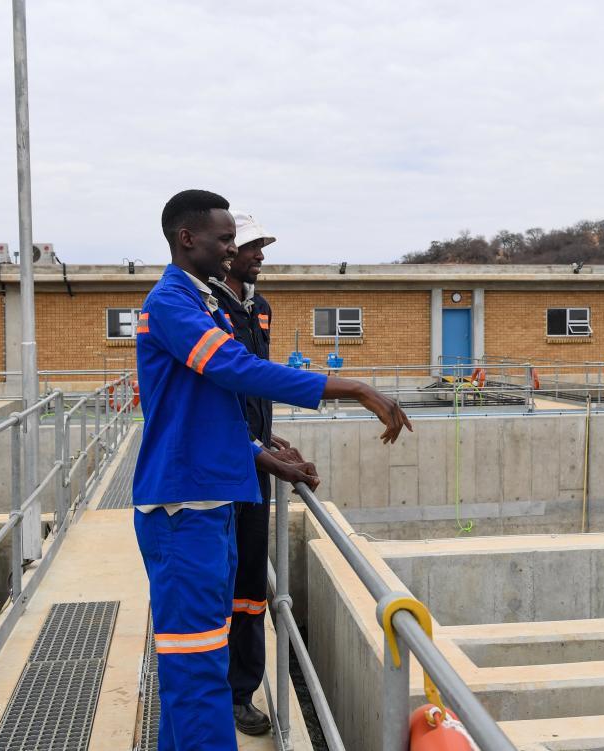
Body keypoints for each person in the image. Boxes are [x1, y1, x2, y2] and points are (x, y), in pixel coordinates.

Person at [133, 189, 411, 751]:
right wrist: (352, 387)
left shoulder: (205, 302)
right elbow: (234, 368)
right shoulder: (171, 303)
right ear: (187, 239)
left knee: (197, 662)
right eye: (224, 239)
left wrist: (259, 450)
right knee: (197, 671)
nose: (232, 248)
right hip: (184, 507)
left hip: (212, 499)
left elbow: (212, 405)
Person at [207, 210, 293, 735]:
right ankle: (214, 688)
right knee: (219, 582)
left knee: (251, 587)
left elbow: (257, 381)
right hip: (222, 467)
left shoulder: (259, 308)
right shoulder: (207, 307)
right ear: (227, 250)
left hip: (254, 463)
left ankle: (241, 691)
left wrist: (267, 436)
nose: (260, 255)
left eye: (263, 246)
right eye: (252, 246)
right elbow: (221, 387)